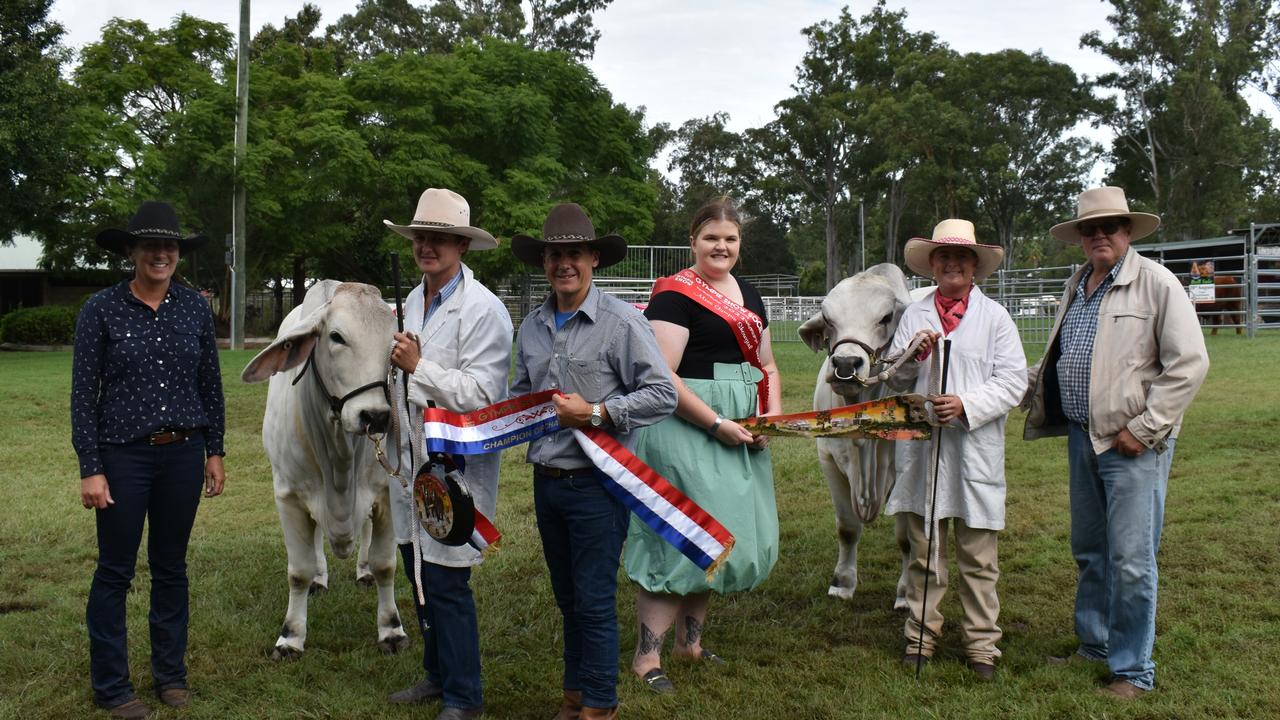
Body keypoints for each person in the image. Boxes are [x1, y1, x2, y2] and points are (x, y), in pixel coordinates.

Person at [1025, 187, 1208, 699]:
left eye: (1111, 226)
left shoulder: (1156, 284)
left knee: (1131, 558)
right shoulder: (1077, 283)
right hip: (1084, 437)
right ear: (1080, 238)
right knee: (1091, 550)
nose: (1100, 234)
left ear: (1128, 231)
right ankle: (1096, 645)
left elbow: (1189, 364)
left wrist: (1145, 428)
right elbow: (1059, 358)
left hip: (1131, 445)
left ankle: (1132, 670)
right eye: (1090, 228)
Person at [510, 203, 678, 720]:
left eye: (575, 254)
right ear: (544, 262)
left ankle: (600, 706)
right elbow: (521, 394)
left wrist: (600, 412)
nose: (565, 263)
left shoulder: (622, 323)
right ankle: (575, 696)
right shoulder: (533, 326)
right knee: (567, 598)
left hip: (598, 486)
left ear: (594, 260)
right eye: (555, 254)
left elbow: (662, 395)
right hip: (548, 481)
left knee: (594, 601)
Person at [71, 201, 226, 719]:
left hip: (183, 454)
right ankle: (112, 687)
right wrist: (90, 467)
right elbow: (81, 395)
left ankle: (170, 675)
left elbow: (210, 385)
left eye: (171, 246)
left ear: (178, 254)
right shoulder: (101, 309)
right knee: (115, 571)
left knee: (170, 568)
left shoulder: (194, 309)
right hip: (122, 457)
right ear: (132, 252)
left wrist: (215, 450)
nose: (161, 254)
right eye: (151, 246)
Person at [622, 198, 780, 694]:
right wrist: (716, 423)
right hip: (686, 427)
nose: (722, 246)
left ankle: (690, 644)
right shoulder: (674, 295)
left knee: (718, 535)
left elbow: (769, 367)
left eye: (730, 238)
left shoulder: (751, 294)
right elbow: (662, 376)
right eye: (712, 237)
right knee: (679, 535)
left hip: (743, 427)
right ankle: (646, 659)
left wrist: (770, 417)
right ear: (693, 240)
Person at [383, 188, 513, 720]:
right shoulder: (413, 300)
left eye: (439, 238)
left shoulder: (484, 311)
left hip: (456, 466)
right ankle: (437, 674)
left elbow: (483, 394)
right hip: (409, 459)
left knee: (446, 579)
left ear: (461, 244)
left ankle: (465, 695)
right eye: (421, 237)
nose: (427, 246)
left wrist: (419, 368)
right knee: (415, 563)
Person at [885, 218, 1026, 680]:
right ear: (932, 265)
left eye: (961, 258)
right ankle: (920, 637)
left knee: (978, 556)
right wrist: (913, 357)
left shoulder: (996, 318)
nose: (952, 264)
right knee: (926, 553)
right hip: (923, 451)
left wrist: (965, 404)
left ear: (974, 266)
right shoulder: (914, 315)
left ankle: (982, 645)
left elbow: (1012, 381)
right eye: (943, 257)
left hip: (974, 448)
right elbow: (894, 379)